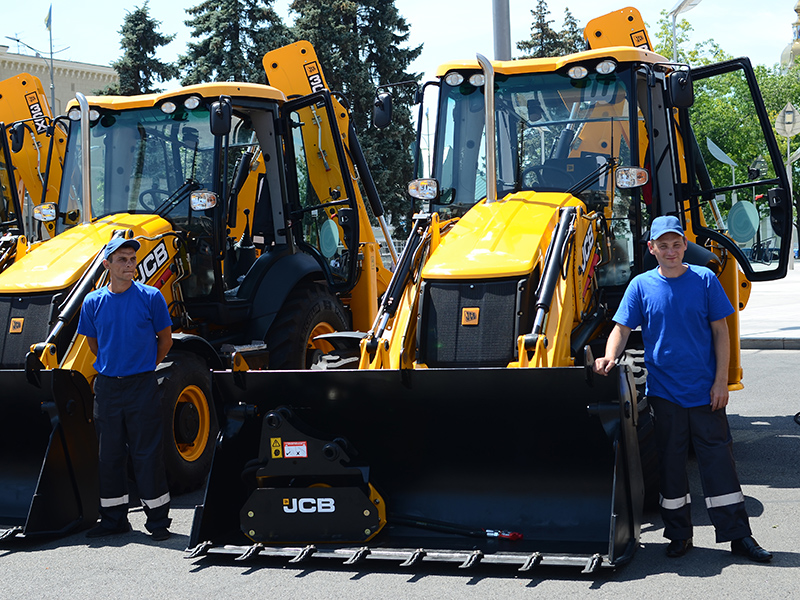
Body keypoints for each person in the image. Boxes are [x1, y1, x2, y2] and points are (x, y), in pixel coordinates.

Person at [594, 215, 772, 563]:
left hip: (707, 392)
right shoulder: (641, 286)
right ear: (652, 249)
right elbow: (621, 329)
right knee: (671, 466)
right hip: (665, 393)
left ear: (684, 246)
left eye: (676, 244)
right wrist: (608, 357)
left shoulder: (704, 279)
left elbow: (721, 333)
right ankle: (678, 535)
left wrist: (721, 382)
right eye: (663, 245)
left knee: (720, 463)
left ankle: (739, 537)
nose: (671, 251)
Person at [77, 237, 174, 541]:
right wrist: (113, 366)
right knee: (110, 455)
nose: (130, 265)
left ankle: (158, 522)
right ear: (107, 265)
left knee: (147, 454)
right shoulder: (93, 302)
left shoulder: (151, 297)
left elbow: (166, 341)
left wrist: (143, 366)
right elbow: (93, 344)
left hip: (142, 386)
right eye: (122, 259)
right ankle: (114, 519)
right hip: (107, 389)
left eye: (132, 259)